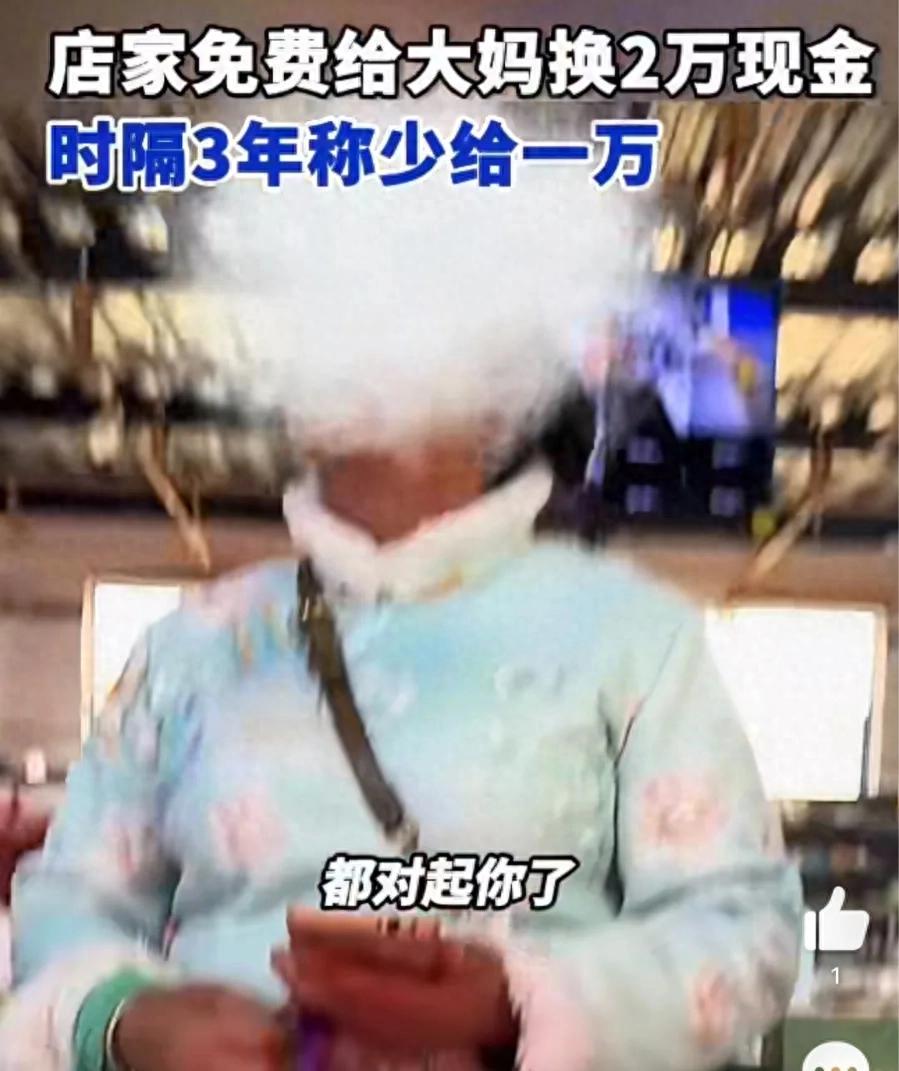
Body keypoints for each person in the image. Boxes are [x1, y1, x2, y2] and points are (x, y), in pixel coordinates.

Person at [0, 415, 802, 1071]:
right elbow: (70, 897)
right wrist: (126, 1018)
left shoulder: (628, 635)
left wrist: (514, 1003)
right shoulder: (194, 645)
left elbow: (742, 923)